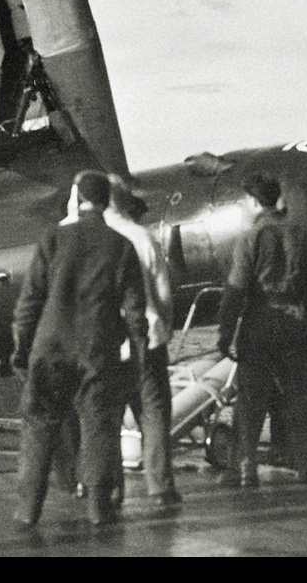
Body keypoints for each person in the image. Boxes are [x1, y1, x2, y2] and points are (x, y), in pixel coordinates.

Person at [10, 170, 147, 528]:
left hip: (51, 349)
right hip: (96, 351)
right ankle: (99, 509)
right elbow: (135, 313)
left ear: (76, 199)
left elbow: (29, 303)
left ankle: (27, 511)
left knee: (39, 428)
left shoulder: (53, 239)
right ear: (107, 202)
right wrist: (139, 354)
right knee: (98, 429)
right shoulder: (121, 246)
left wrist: (21, 350)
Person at [217, 171, 307, 489]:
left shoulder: (250, 238)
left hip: (259, 326)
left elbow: (235, 290)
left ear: (253, 202)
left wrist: (226, 333)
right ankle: (305, 466)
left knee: (251, 400)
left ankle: (246, 468)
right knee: (298, 398)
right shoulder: (303, 236)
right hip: (294, 327)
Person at [103, 174, 182, 512]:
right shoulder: (144, 238)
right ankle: (161, 487)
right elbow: (164, 294)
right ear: (125, 200)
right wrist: (165, 326)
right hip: (148, 340)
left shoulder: (90, 237)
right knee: (154, 413)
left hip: (108, 344)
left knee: (106, 418)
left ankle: (110, 489)